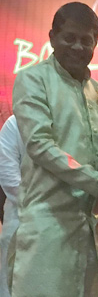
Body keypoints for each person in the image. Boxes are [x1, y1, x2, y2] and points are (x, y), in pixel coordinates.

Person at [10, 2, 98, 297]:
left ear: (95, 43)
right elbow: (39, 145)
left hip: (96, 228)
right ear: (52, 37)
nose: (78, 47)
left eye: (86, 40)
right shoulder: (33, 80)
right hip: (50, 226)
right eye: (69, 38)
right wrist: (97, 181)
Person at [0, 116, 24, 297]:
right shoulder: (14, 124)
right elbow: (9, 179)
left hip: (64, 222)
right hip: (19, 221)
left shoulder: (67, 121)